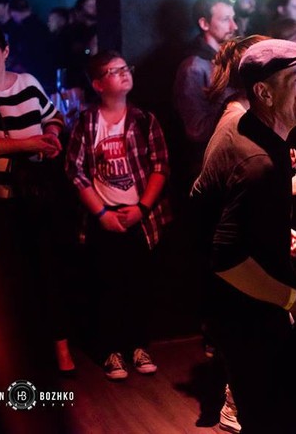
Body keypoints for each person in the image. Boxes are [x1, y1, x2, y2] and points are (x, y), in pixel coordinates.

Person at [191, 39, 296, 434]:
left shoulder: (245, 128)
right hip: (250, 320)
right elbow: (225, 258)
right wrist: (292, 300)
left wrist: (270, 229)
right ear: (264, 93)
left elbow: (213, 204)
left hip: (242, 314)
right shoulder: (258, 163)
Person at [0, 18, 73, 373]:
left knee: (48, 269)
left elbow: (53, 117)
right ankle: (17, 354)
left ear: (6, 51)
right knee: (9, 276)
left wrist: (51, 136)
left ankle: (60, 348)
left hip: (36, 191)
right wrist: (31, 143)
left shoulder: (27, 82)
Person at [65, 50, 171, 380]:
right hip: (104, 216)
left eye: (126, 68)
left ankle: (138, 345)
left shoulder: (143, 119)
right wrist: (101, 213)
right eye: (114, 71)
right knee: (106, 284)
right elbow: (75, 171)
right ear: (98, 84)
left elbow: (160, 166)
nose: (124, 74)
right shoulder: (87, 122)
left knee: (139, 283)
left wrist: (142, 208)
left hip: (139, 216)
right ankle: (110, 349)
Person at [173, 0, 237, 179]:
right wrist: (236, 113)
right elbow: (196, 130)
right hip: (212, 166)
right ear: (204, 24)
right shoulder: (193, 67)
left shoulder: (228, 59)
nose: (234, 26)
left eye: (233, 18)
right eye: (225, 19)